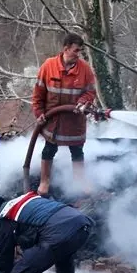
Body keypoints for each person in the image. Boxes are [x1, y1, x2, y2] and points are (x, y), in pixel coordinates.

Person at [32, 33, 98, 195]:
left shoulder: (85, 70)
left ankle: (79, 179)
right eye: (76, 50)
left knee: (76, 151)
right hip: (52, 121)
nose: (78, 54)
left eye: (80, 51)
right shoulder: (49, 66)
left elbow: (90, 93)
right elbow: (38, 92)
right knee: (49, 150)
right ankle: (44, 181)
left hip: (74, 121)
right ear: (66, 48)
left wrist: (83, 101)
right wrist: (39, 112)